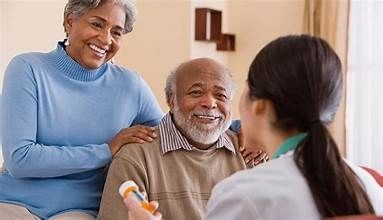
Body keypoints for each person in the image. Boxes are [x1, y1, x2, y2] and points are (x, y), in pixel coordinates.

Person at [122, 35, 383, 219]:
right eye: (196, 92)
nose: (210, 104)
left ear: (259, 106)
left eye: (226, 94)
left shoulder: (244, 193)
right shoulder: (370, 184)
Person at [0, 0, 163, 219]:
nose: (106, 39)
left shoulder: (130, 85)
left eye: (116, 32)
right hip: (13, 203)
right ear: (70, 21)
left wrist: (222, 121)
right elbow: (20, 159)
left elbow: (172, 131)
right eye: (97, 24)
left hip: (80, 211)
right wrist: (105, 150)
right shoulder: (27, 69)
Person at [97, 58, 254, 220]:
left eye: (221, 95)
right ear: (172, 101)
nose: (209, 102)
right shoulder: (135, 158)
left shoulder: (250, 153)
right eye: (196, 92)